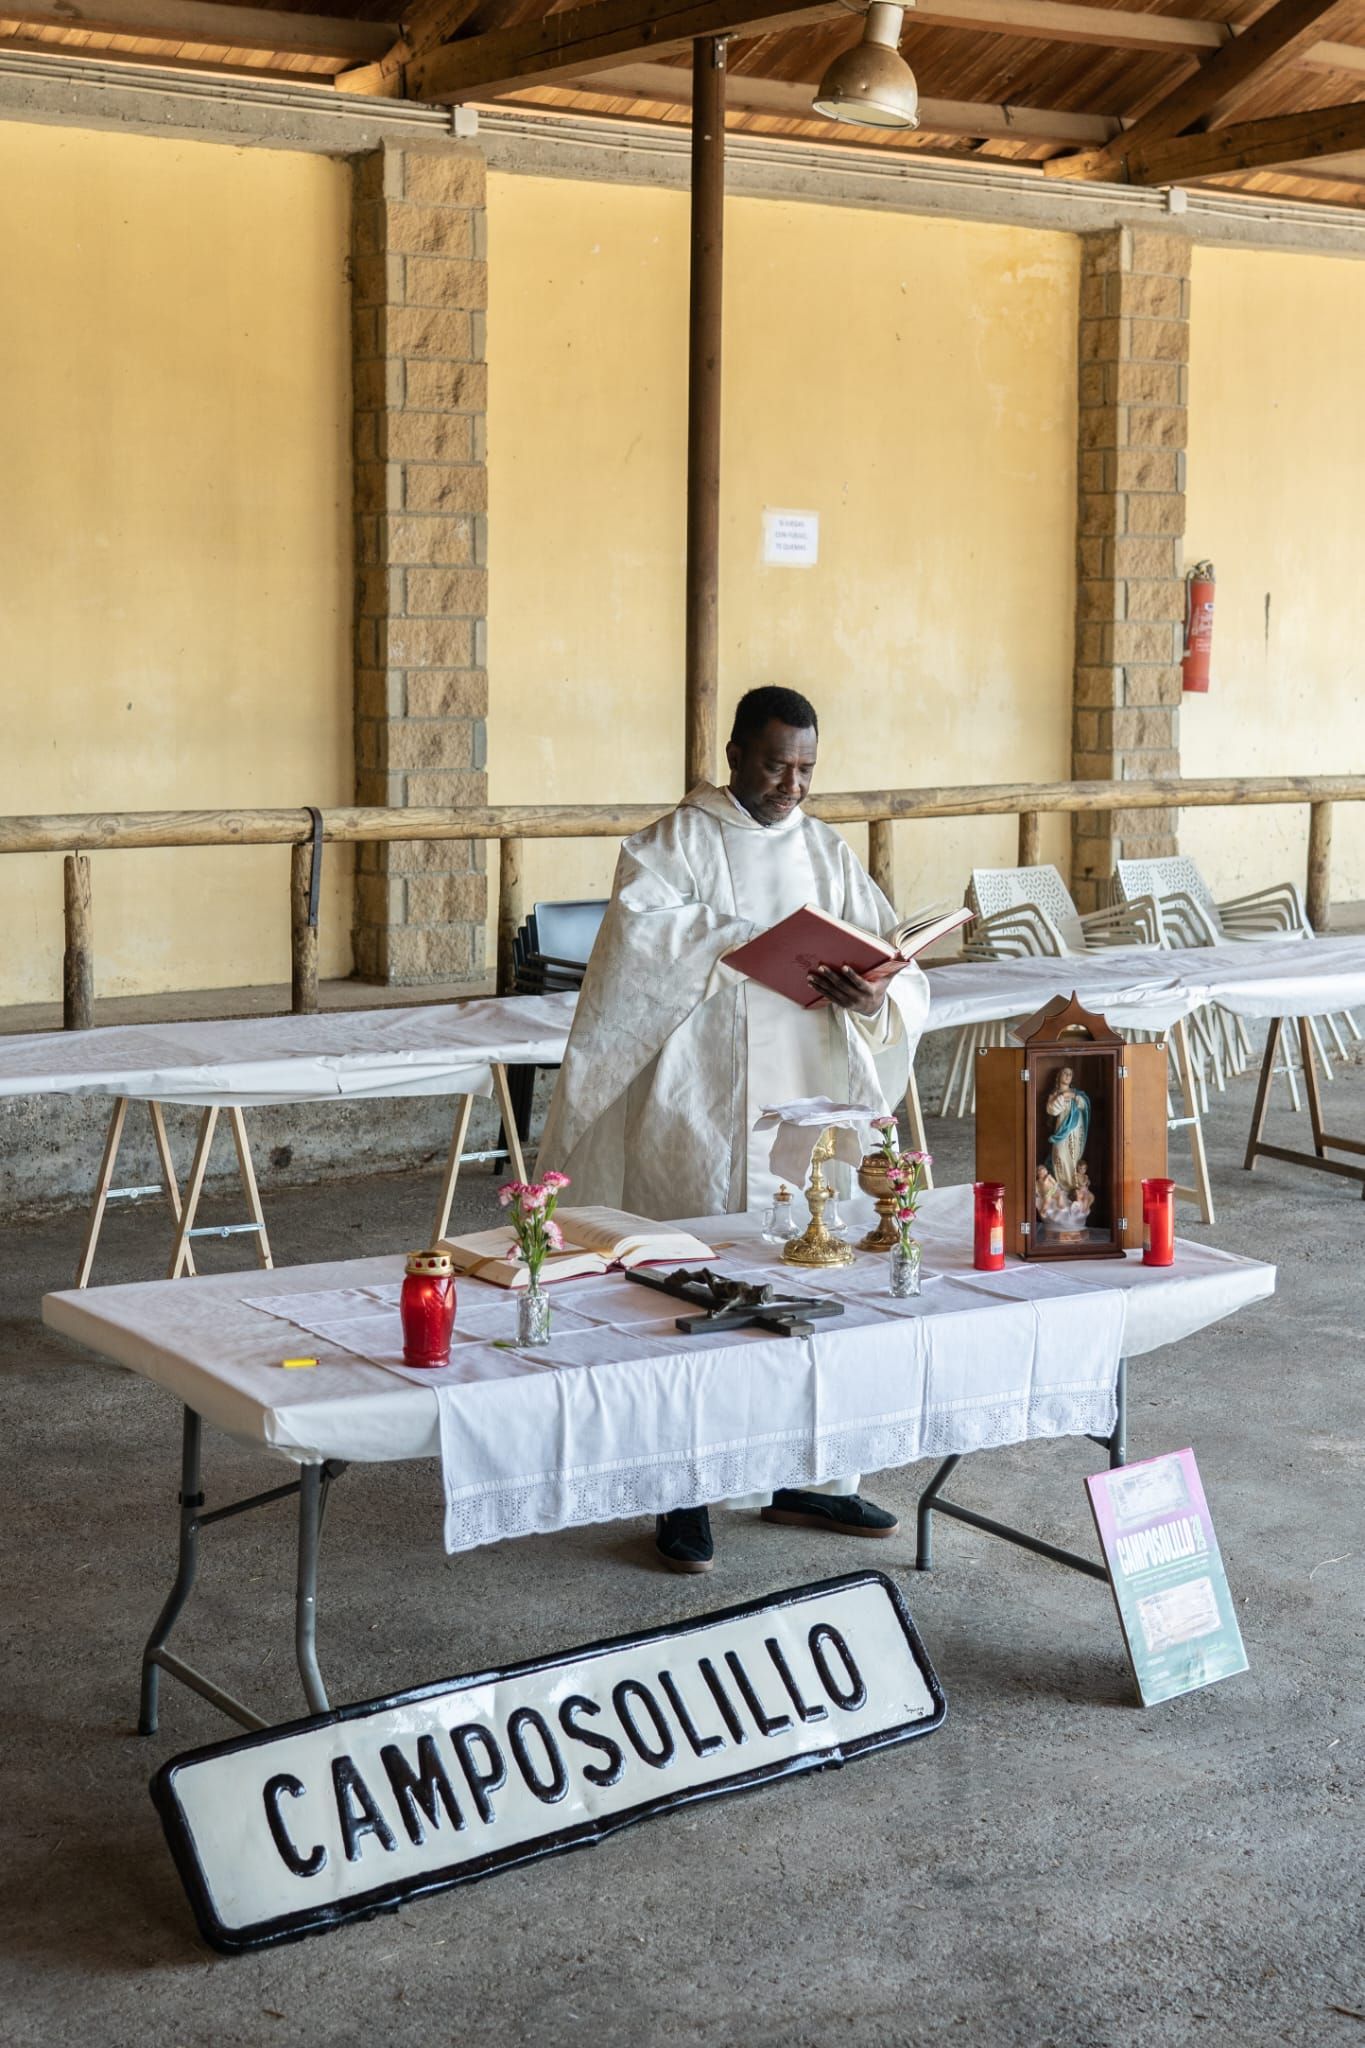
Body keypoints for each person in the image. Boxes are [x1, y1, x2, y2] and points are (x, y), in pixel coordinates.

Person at [538, 686, 930, 1572]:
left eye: (806, 769)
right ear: (732, 755)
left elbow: (889, 957)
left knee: (813, 1275)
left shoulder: (825, 850)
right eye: (773, 764)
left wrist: (876, 993)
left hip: (810, 1091)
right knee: (693, 1293)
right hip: (704, 1105)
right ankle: (681, 1489)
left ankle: (808, 1474)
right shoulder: (673, 843)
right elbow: (636, 946)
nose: (791, 785)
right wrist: (744, 937)